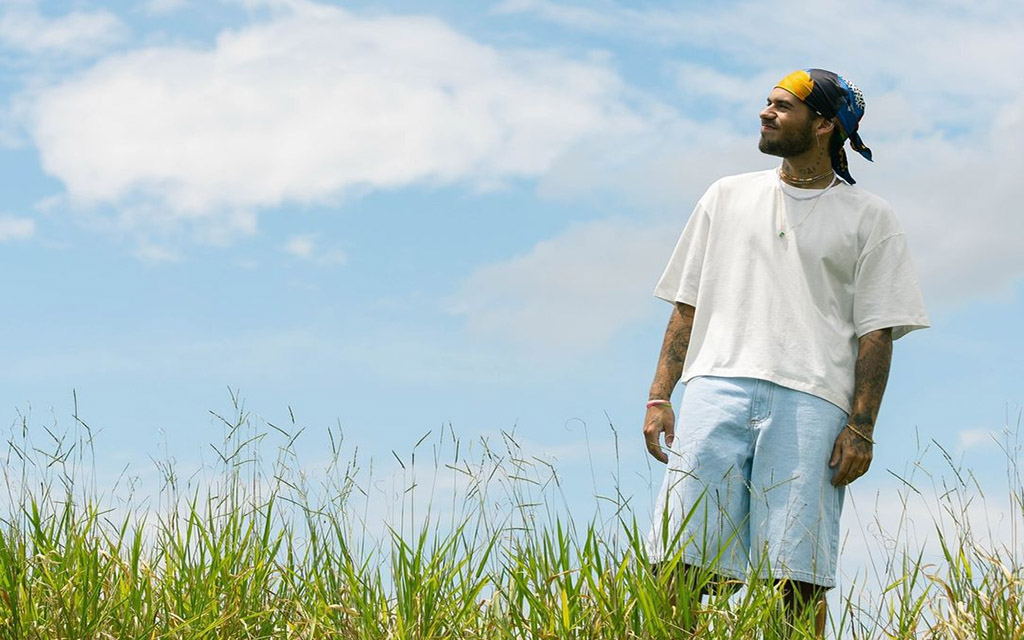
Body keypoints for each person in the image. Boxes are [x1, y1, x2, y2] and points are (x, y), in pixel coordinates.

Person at [642, 68, 930, 637]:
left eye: (782, 105)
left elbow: (877, 332)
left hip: (813, 403)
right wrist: (658, 396)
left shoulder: (871, 217)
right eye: (767, 102)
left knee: (796, 578)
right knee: (682, 564)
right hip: (714, 388)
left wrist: (862, 426)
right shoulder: (725, 195)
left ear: (824, 124)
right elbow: (687, 304)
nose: (765, 112)